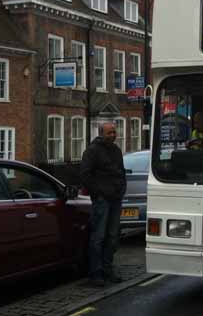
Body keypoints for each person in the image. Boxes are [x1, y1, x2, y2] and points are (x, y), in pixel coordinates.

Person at [80, 123, 126, 287]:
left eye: (114, 132)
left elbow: (121, 171)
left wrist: (121, 189)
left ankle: (108, 269)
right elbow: (85, 175)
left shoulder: (116, 150)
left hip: (115, 198)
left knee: (112, 236)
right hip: (102, 200)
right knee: (98, 236)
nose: (113, 135)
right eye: (109, 133)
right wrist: (98, 193)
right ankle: (95, 273)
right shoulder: (92, 151)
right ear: (101, 134)